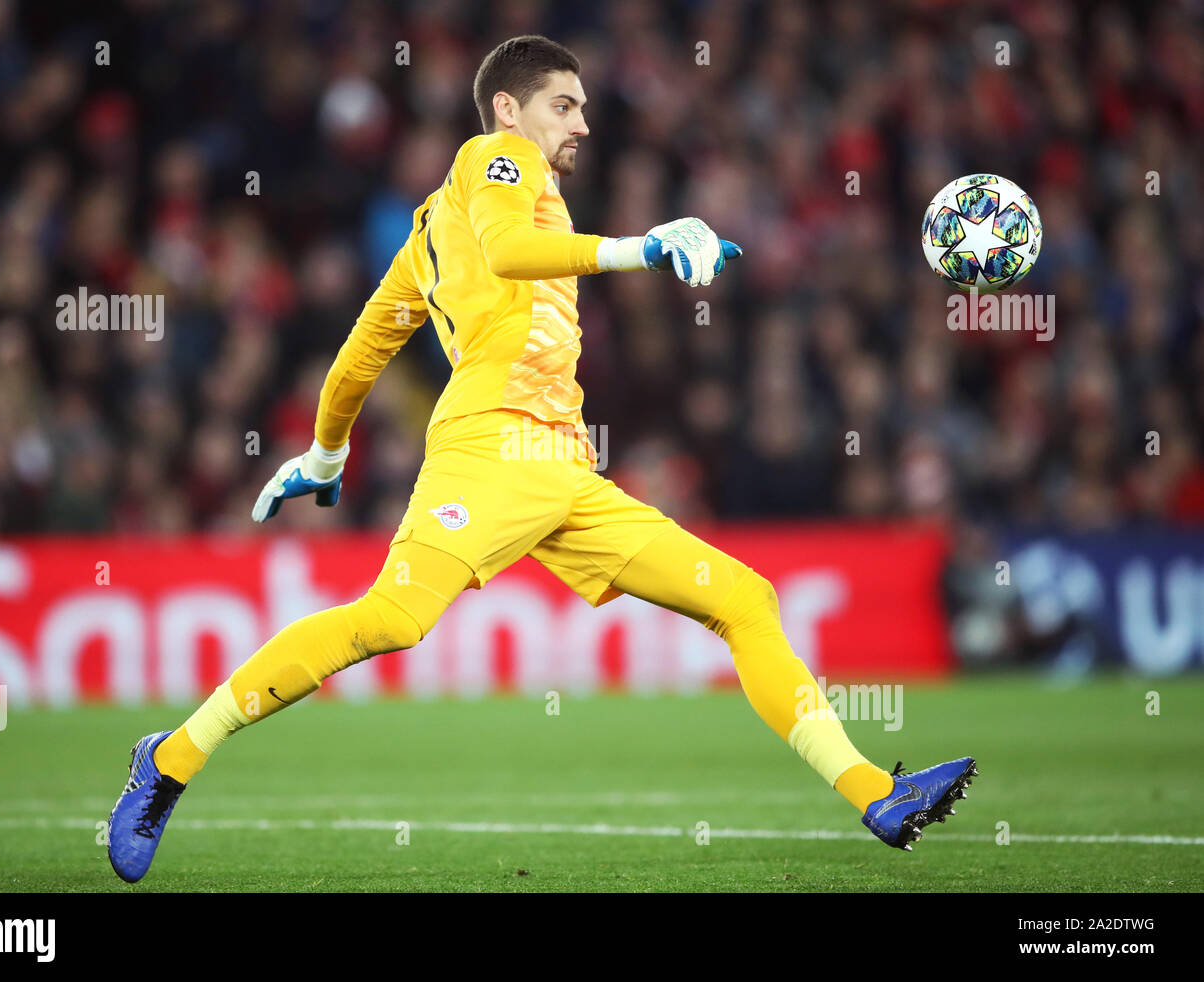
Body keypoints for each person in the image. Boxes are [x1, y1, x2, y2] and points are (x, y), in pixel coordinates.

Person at [107, 35, 974, 884]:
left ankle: (875, 795)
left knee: (745, 599)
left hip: (562, 469)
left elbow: (360, 354)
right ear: (509, 108)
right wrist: (646, 246)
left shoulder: (428, 239)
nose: (583, 125)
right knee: (393, 622)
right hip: (488, 447)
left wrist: (327, 456)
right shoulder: (498, 158)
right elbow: (508, 255)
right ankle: (171, 759)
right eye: (566, 104)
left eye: (586, 108)